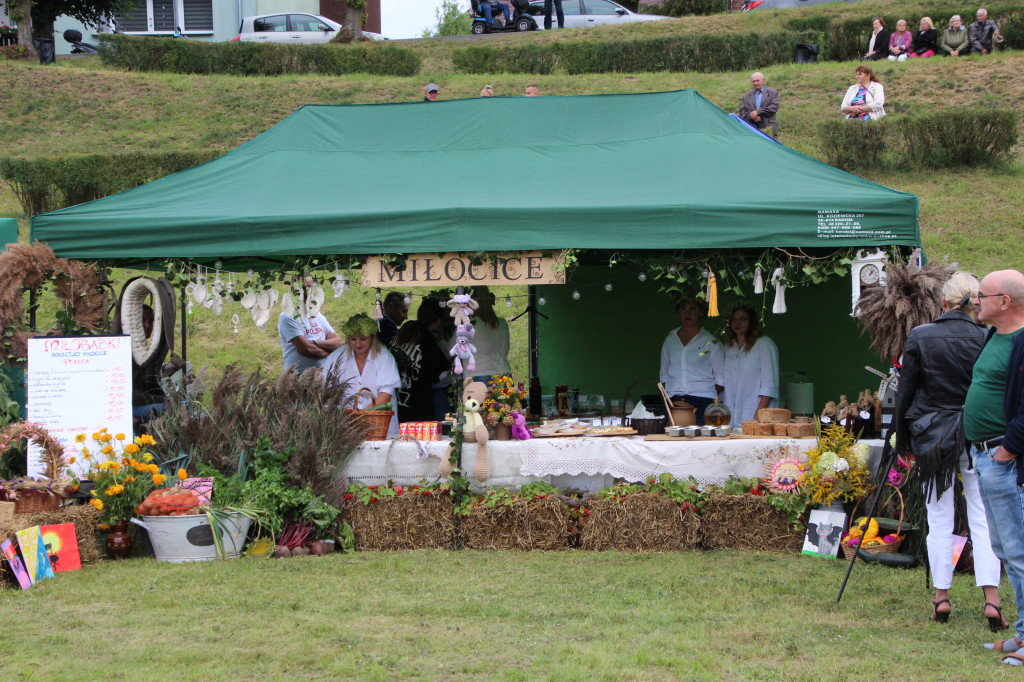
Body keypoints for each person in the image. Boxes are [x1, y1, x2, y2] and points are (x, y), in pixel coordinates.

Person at [892, 272, 1005, 628]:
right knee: (983, 517)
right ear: (974, 302)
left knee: (938, 516)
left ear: (943, 302)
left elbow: (905, 393)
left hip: (933, 438)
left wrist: (901, 439)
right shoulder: (986, 336)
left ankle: (942, 596)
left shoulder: (922, 336)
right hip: (976, 433)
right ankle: (992, 599)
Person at [966, 270, 1024, 664]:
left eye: (981, 296)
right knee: (1004, 547)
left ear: (1005, 301)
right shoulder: (994, 335)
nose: (975, 302)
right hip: (985, 456)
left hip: (1005, 461)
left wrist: (1007, 450)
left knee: (1019, 552)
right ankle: (1020, 636)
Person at [326, 313, 402, 437]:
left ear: (372, 337)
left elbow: (386, 394)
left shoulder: (384, 356)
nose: (358, 344)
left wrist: (360, 417)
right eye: (353, 339)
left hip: (380, 428)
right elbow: (325, 390)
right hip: (346, 428)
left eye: (363, 338)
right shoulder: (337, 357)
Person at [659, 300, 724, 426]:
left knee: (700, 442)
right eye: (683, 309)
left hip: (702, 401)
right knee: (672, 442)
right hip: (674, 401)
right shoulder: (670, 339)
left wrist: (702, 391)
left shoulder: (711, 341)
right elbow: (664, 374)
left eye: (692, 309)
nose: (687, 313)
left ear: (701, 312)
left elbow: (721, 379)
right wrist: (670, 397)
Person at [392, 302, 451, 423]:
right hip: (418, 404)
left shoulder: (405, 330)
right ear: (438, 321)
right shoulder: (428, 342)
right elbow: (440, 374)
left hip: (397, 398)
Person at [722, 304, 779, 424]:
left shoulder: (764, 344)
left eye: (743, 319)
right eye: (734, 319)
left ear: (751, 321)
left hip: (756, 413)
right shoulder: (728, 348)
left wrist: (758, 415)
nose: (737, 323)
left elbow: (769, 386)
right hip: (731, 415)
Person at [277, 301, 343, 374]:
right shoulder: (287, 316)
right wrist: (330, 350)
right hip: (299, 375)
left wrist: (313, 342)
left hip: (323, 373)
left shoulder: (317, 314)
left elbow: (339, 343)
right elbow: (306, 350)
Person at [468, 286, 511, 382]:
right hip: (504, 373)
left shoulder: (471, 325)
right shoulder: (502, 323)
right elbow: (506, 348)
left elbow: (451, 349)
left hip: (479, 374)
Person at [737, 72, 779, 137]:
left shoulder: (772, 93)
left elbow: (774, 107)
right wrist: (751, 116)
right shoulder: (746, 97)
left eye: (757, 80)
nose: (755, 83)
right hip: (752, 131)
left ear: (763, 80)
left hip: (769, 129)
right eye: (753, 81)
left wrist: (757, 112)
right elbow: (742, 112)